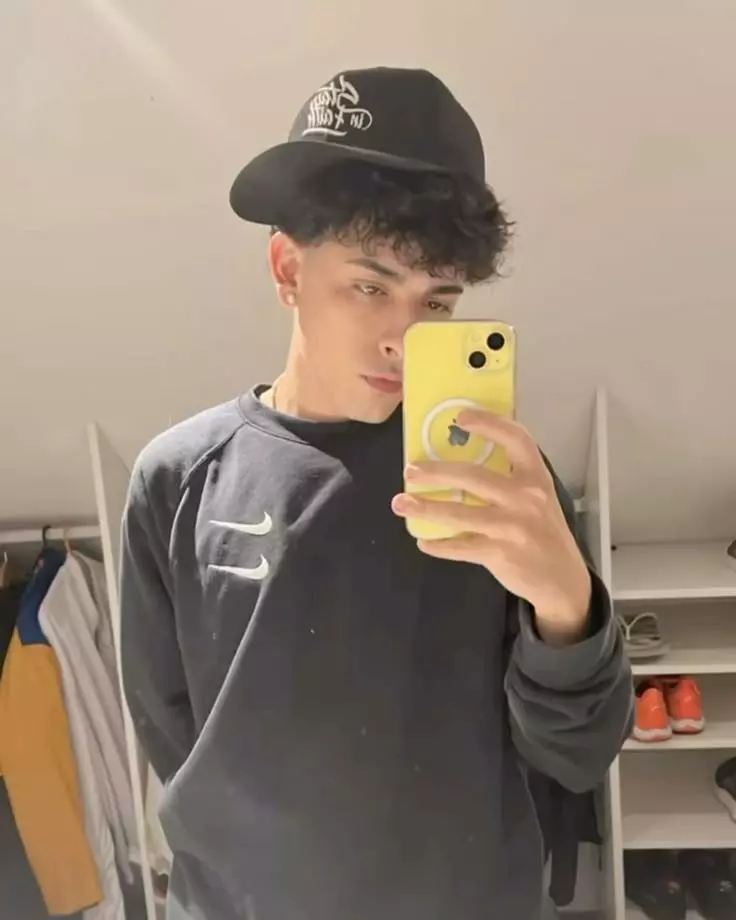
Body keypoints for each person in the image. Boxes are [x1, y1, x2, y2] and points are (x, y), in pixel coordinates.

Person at [120, 66, 633, 920]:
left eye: (438, 299)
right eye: (370, 286)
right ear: (288, 267)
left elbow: (577, 755)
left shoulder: (500, 479)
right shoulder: (179, 478)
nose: (405, 335)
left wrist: (566, 608)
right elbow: (171, 732)